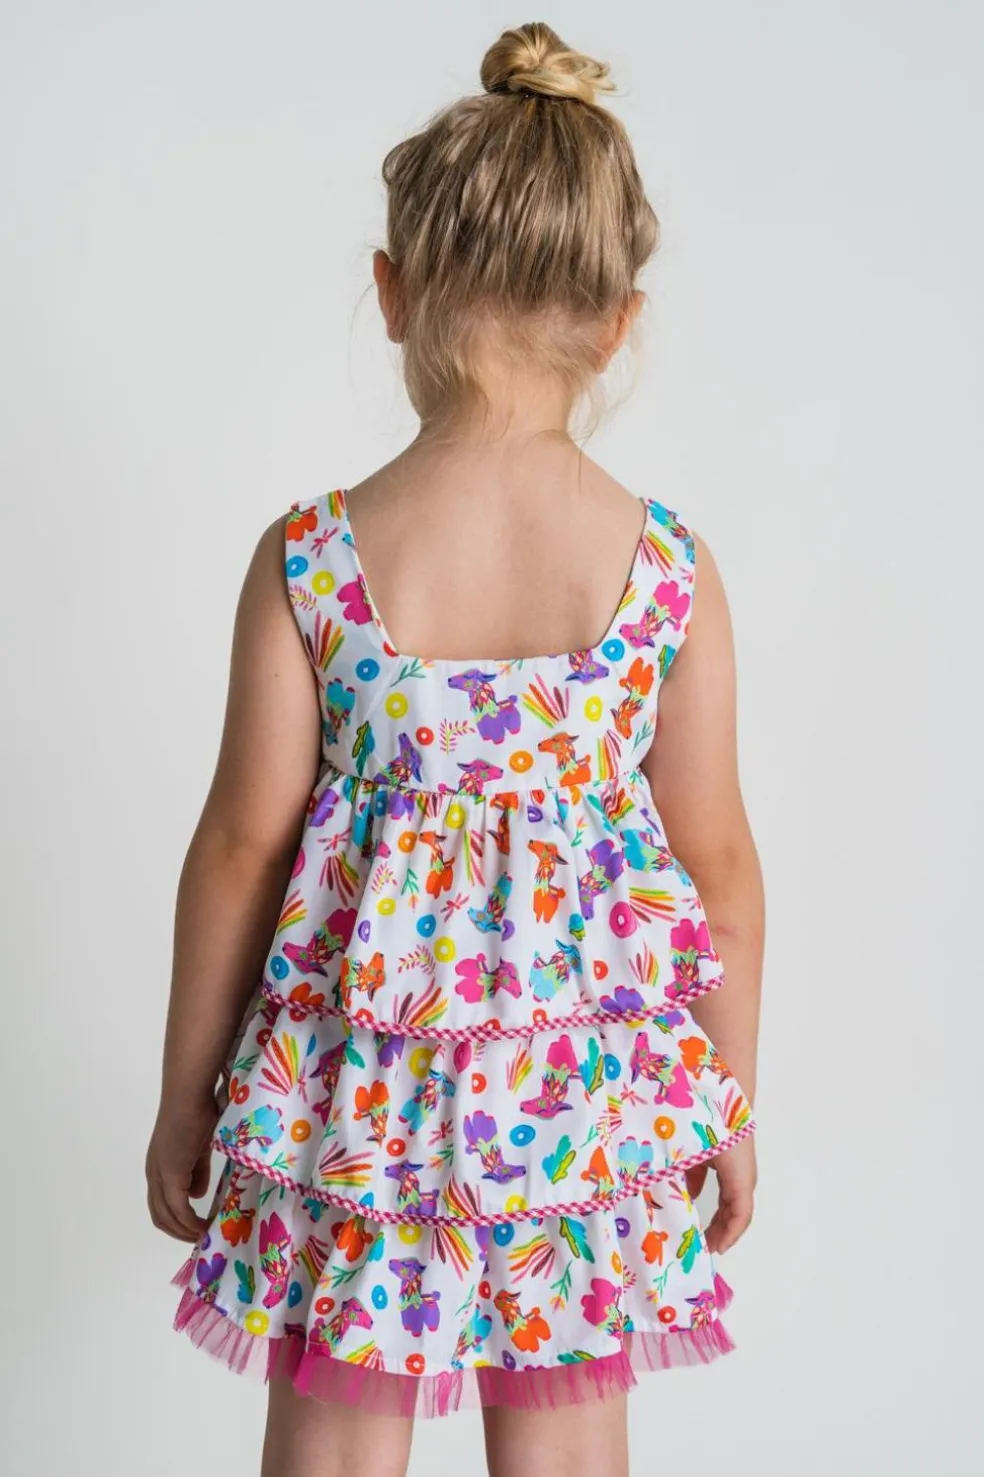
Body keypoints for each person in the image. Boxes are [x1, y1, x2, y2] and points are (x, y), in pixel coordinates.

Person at [146, 21, 765, 1477]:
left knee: (332, 1453)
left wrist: (187, 1096)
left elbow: (240, 849)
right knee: (567, 1456)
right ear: (618, 322)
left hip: (352, 1097)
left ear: (392, 292)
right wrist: (725, 1105)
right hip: (576, 1103)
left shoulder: (313, 559)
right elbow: (720, 871)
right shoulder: (664, 574)